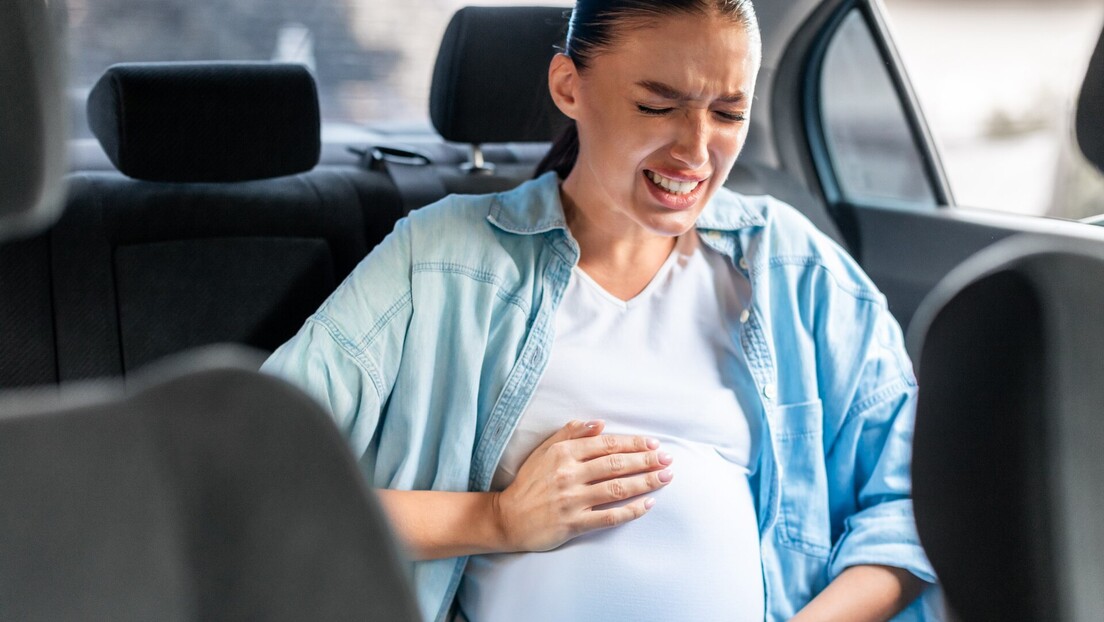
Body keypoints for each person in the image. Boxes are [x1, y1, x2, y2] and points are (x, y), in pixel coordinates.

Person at [262, 1, 942, 620]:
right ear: (569, 87)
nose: (697, 149)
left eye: (729, 113)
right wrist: (497, 518)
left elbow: (912, 504)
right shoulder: (442, 262)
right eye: (658, 105)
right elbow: (252, 476)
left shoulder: (797, 272)